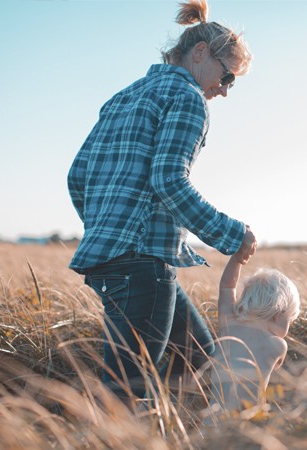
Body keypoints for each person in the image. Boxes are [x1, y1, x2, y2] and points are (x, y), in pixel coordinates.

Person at [67, 0, 256, 400]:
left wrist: (107, 229)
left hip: (112, 259)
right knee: (126, 395)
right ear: (201, 53)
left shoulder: (124, 96)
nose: (223, 91)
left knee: (202, 364)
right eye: (228, 78)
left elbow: (77, 176)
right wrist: (232, 234)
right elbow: (169, 180)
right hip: (142, 266)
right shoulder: (188, 98)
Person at [208, 253, 301, 413]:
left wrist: (237, 259)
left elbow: (227, 286)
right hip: (246, 422)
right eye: (289, 321)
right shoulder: (278, 345)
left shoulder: (229, 325)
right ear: (278, 315)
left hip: (211, 419)